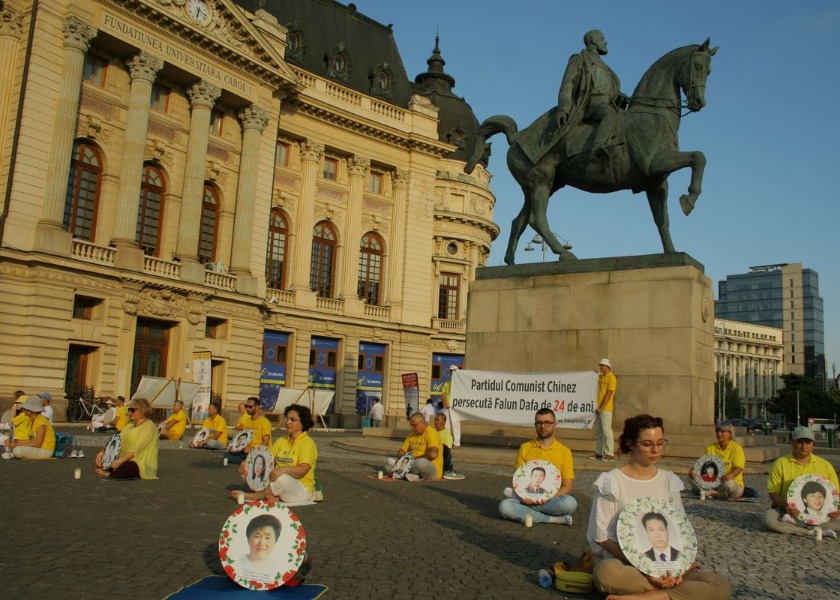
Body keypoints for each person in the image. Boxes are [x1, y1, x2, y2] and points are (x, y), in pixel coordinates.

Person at [586, 414, 731, 600]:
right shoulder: (612, 481)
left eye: (660, 443)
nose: (655, 450)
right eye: (647, 444)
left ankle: (650, 597)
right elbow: (602, 536)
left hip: (668, 567)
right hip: (628, 567)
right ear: (630, 444)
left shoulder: (669, 481)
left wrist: (680, 568)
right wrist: (646, 570)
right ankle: (673, 595)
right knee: (605, 573)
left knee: (721, 585)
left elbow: (679, 529)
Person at [556, 30, 627, 162]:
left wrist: (619, 96)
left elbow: (609, 89)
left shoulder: (605, 67)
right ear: (594, 40)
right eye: (602, 38)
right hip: (591, 103)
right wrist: (563, 108)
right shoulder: (580, 59)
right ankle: (597, 148)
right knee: (609, 114)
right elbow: (568, 83)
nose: (605, 42)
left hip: (609, 103)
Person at [499, 408, 576, 525]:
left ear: (555, 425)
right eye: (539, 423)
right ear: (535, 425)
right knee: (505, 507)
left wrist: (546, 498)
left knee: (570, 503)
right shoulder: (525, 448)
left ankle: (528, 511)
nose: (543, 426)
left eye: (547, 422)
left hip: (551, 500)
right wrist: (524, 496)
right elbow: (518, 480)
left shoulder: (565, 451)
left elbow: (567, 487)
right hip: (527, 497)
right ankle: (554, 519)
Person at [232, 404, 318, 503]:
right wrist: (246, 462)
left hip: (300, 489)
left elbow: (303, 470)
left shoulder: (307, 443)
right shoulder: (282, 440)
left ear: (303, 423)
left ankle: (253, 496)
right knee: (251, 468)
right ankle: (273, 495)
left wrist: (283, 470)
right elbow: (266, 458)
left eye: (293, 420)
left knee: (283, 479)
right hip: (277, 483)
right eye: (287, 418)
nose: (288, 422)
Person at [763, 426, 840, 537]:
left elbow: (836, 493)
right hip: (788, 513)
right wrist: (787, 508)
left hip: (821, 515)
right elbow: (773, 492)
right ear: (792, 443)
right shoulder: (780, 463)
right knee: (768, 518)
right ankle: (810, 531)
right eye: (799, 442)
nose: (804, 446)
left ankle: (801, 526)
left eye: (808, 442)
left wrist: (836, 509)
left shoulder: (825, 465)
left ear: (813, 444)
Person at [94, 397, 158, 479]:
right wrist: (102, 453)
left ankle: (110, 474)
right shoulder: (130, 425)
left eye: (133, 410)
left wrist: (119, 461)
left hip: (141, 462)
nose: (130, 412)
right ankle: (114, 469)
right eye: (129, 410)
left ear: (143, 411)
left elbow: (136, 449)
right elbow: (116, 441)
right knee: (103, 462)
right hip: (124, 459)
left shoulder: (149, 427)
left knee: (130, 466)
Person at [687, 422, 745, 500]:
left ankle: (704, 492)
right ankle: (714, 494)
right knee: (691, 476)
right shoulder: (711, 447)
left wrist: (729, 475)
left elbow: (738, 468)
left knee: (729, 485)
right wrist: (694, 470)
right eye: (717, 431)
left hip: (729, 483)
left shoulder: (737, 448)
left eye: (722, 432)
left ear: (729, 434)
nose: (719, 434)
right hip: (713, 483)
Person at [387, 412, 443, 481]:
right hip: (410, 464)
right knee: (387, 466)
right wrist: (404, 459)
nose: (412, 428)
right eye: (411, 425)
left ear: (422, 423)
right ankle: (413, 475)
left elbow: (433, 454)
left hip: (430, 468)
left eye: (414, 425)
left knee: (421, 462)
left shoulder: (432, 433)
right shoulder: (411, 435)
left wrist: (411, 460)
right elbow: (400, 451)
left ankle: (406, 473)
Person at [237, 514, 282, 580]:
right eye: (257, 536)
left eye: (267, 537)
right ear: (248, 539)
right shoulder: (236, 565)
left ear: (275, 541)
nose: (262, 543)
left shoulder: (277, 572)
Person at [590, 358, 617, 461]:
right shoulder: (601, 377)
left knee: (606, 431)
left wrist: (602, 407)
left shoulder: (612, 378)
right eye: (600, 365)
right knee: (598, 431)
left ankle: (610, 453)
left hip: (605, 408)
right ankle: (599, 452)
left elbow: (609, 394)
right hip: (598, 408)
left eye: (603, 365)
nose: (601, 367)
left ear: (608, 367)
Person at [434, 412, 464, 480]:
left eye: (437, 420)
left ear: (444, 422)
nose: (435, 422)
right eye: (435, 420)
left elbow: (447, 452)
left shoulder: (447, 436)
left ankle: (448, 471)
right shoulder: (432, 432)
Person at [441, 364, 462, 447]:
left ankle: (457, 443)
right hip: (447, 407)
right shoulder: (447, 383)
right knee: (447, 425)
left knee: (456, 424)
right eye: (451, 371)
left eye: (453, 370)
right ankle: (448, 442)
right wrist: (445, 403)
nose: (452, 372)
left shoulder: (461, 384)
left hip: (456, 407)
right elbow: (442, 394)